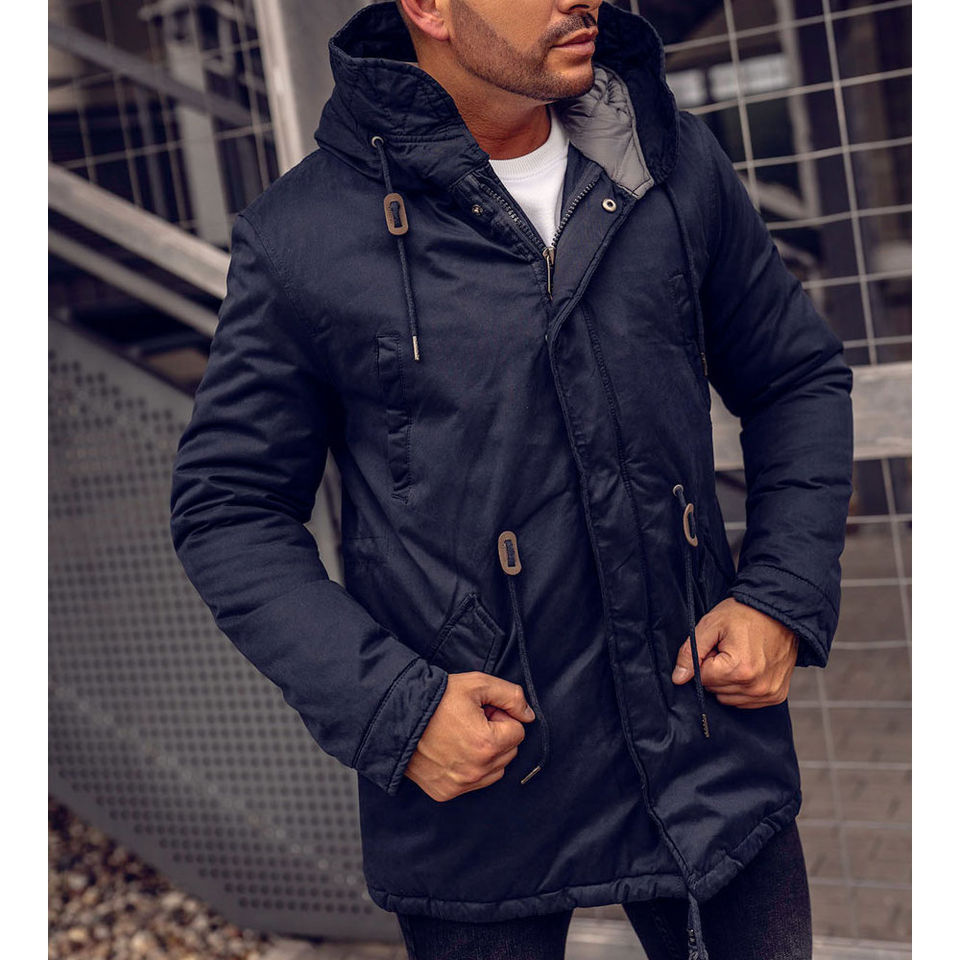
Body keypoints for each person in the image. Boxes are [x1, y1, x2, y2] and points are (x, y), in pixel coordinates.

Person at [169, 1, 854, 958]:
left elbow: (795, 378)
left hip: (703, 753)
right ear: (429, 8)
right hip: (481, 783)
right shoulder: (304, 237)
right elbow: (229, 509)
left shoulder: (669, 163)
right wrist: (397, 712)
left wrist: (780, 595)